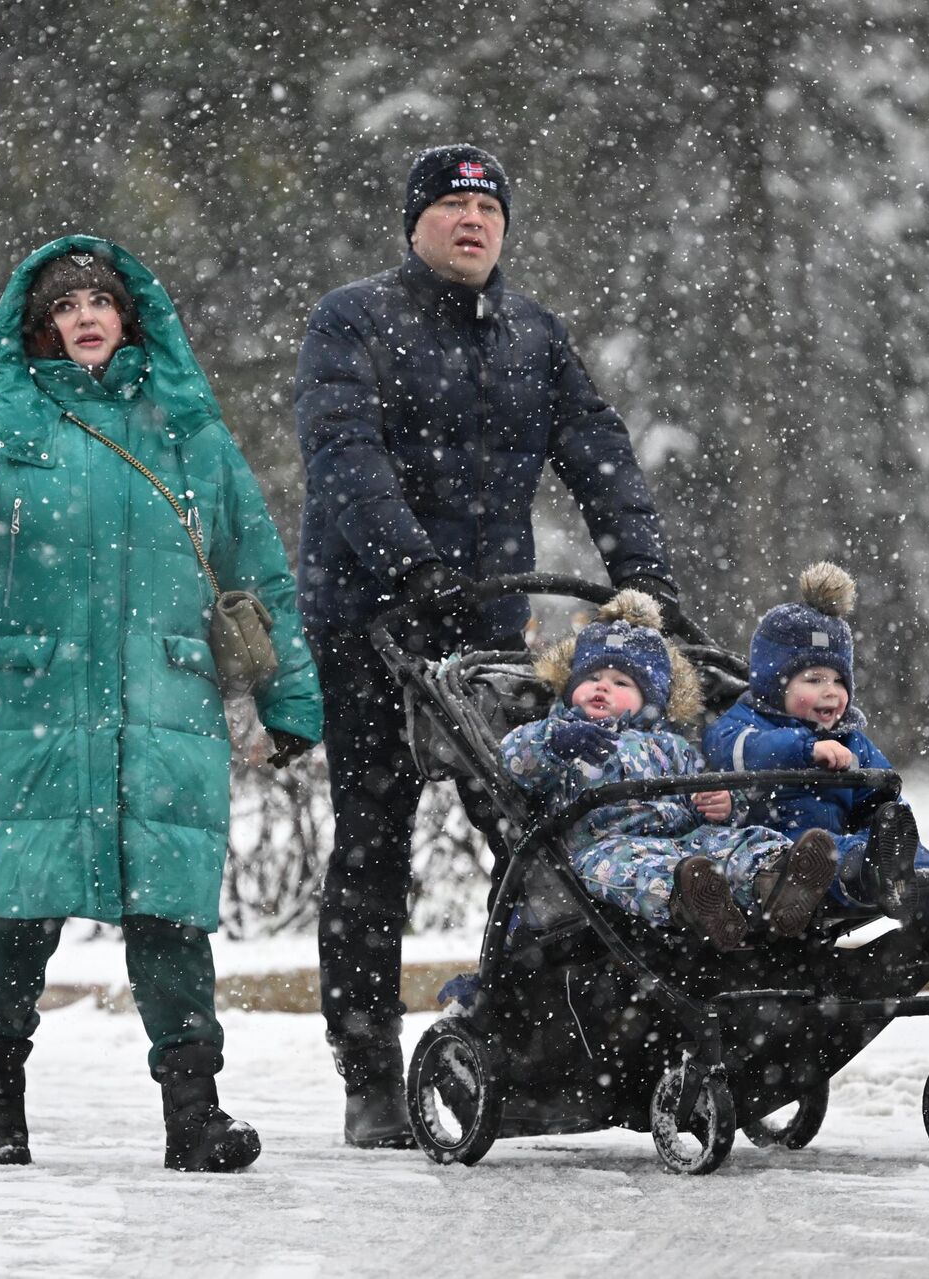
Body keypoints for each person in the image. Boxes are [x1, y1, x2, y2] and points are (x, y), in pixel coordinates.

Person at [0, 235, 323, 1172]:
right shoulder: (6, 422)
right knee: (16, 915)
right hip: (31, 702)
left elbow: (257, 568)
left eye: (100, 301)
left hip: (163, 705)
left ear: (130, 318)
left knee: (171, 918)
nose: (84, 315)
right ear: (40, 328)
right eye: (65, 305)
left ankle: (195, 1115)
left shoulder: (185, 430)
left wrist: (291, 696)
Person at [294, 144, 690, 1147]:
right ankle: (369, 1072)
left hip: (484, 633)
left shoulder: (532, 336)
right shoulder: (354, 320)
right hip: (371, 624)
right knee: (375, 844)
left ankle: (544, 1036)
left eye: (489, 206)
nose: (473, 219)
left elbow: (600, 454)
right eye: (452, 204)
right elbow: (345, 454)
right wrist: (408, 558)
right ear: (415, 223)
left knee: (535, 838)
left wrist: (645, 573)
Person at [702, 563, 929, 1012]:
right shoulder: (741, 726)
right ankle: (880, 872)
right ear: (771, 683)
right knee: (837, 854)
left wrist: (882, 805)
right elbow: (743, 753)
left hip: (848, 847)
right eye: (813, 679)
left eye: (839, 680)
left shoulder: (850, 738)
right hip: (777, 856)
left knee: (924, 869)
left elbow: (878, 785)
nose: (831, 692)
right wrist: (807, 749)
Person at [499, 592, 840, 947]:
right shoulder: (559, 733)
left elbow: (702, 792)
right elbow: (515, 760)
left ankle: (778, 882)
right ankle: (691, 903)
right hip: (606, 844)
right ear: (571, 687)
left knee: (738, 843)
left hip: (685, 841)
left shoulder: (671, 746)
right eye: (593, 676)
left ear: (652, 701)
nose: (603, 686)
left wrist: (723, 804)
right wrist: (555, 744)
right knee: (637, 872)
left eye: (622, 683)